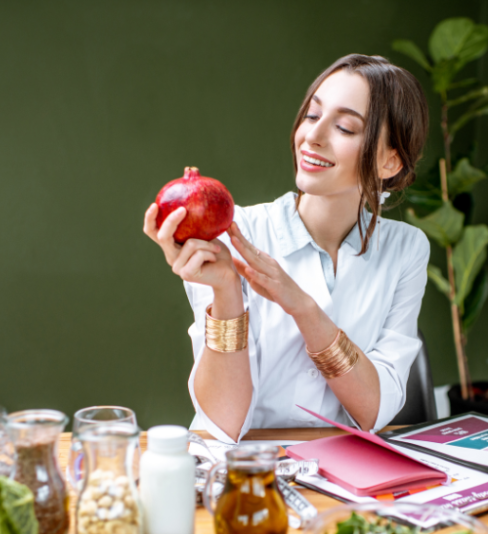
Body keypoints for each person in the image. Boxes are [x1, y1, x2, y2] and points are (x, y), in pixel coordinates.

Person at [144, 54, 430, 442]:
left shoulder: (405, 249)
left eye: (345, 127)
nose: (313, 136)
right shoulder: (230, 234)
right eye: (312, 116)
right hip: (242, 472)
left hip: (344, 475)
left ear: (389, 162)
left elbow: (373, 412)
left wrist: (302, 306)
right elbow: (225, 424)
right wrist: (226, 291)